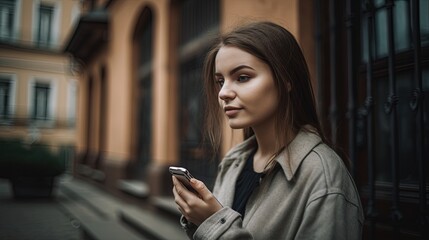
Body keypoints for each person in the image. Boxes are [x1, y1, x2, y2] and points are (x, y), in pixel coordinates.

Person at [172, 21, 364, 239]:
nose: (223, 93)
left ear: (286, 80)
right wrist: (200, 220)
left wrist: (214, 223)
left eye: (242, 77)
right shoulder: (234, 160)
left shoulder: (323, 178)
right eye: (220, 81)